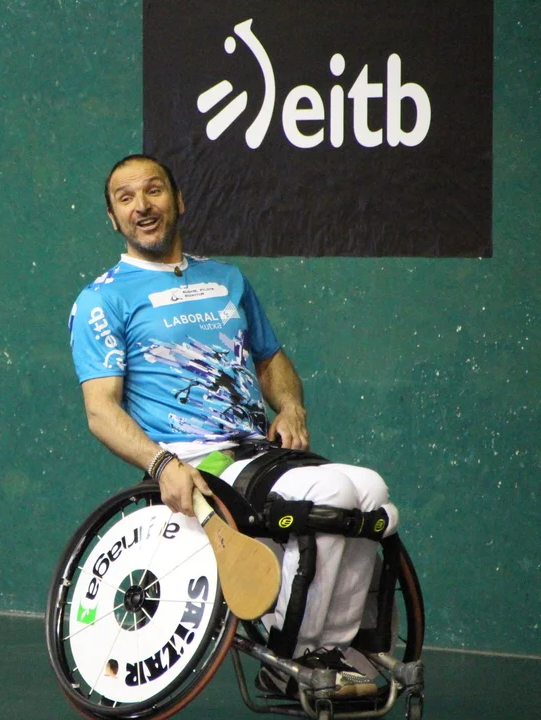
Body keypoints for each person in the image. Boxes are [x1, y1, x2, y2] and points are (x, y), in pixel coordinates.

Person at [68, 154, 399, 699]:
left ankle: (335, 650)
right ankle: (292, 659)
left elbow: (271, 361)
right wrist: (162, 463)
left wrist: (291, 408)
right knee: (332, 492)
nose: (142, 206)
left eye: (153, 191)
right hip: (195, 461)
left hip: (255, 450)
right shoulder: (102, 299)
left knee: (370, 490)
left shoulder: (227, 280)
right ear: (113, 218)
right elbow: (101, 410)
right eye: (125, 198)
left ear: (179, 201)